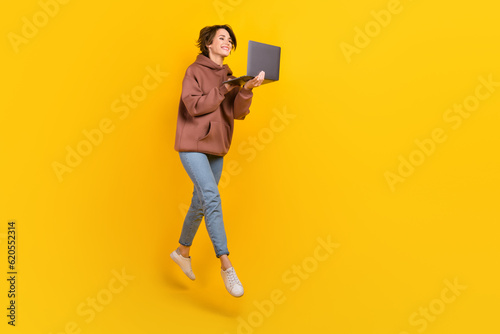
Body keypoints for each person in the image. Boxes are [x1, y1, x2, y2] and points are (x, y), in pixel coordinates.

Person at [170, 24, 265, 297]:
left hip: (217, 147)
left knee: (200, 203)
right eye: (222, 38)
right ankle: (226, 265)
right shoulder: (194, 71)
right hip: (192, 144)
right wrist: (224, 89)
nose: (228, 42)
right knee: (211, 198)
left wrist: (245, 89)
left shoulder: (231, 77)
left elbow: (237, 113)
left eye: (230, 40)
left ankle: (182, 251)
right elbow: (194, 105)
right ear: (209, 44)